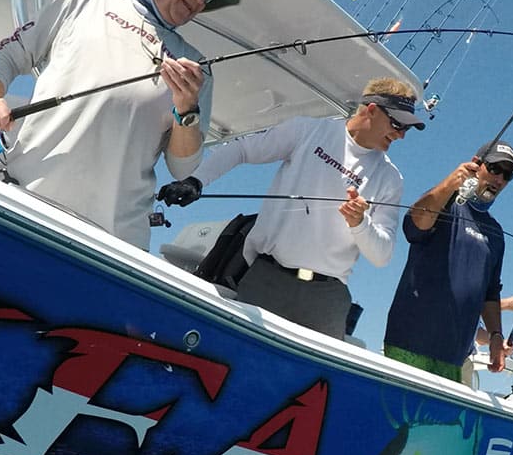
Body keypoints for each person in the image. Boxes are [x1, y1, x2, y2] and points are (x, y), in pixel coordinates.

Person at [0, 0, 239, 249]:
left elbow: (183, 167)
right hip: (21, 198)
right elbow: (10, 54)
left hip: (110, 239)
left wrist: (187, 109)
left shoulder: (198, 68)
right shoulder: (85, 0)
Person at [157, 78, 424, 340]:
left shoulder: (390, 179)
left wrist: (360, 223)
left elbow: (382, 256)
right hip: (267, 279)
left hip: (327, 299)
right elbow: (242, 150)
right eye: (397, 123)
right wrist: (195, 180)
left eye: (407, 129)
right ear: (372, 110)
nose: (400, 134)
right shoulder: (308, 130)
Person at [384, 140, 513, 382]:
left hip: (454, 355)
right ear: (477, 165)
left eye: (507, 175)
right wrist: (450, 184)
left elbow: (490, 293)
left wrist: (496, 335)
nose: (499, 179)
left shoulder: (496, 234)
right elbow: (413, 227)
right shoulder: (445, 203)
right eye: (495, 169)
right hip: (409, 341)